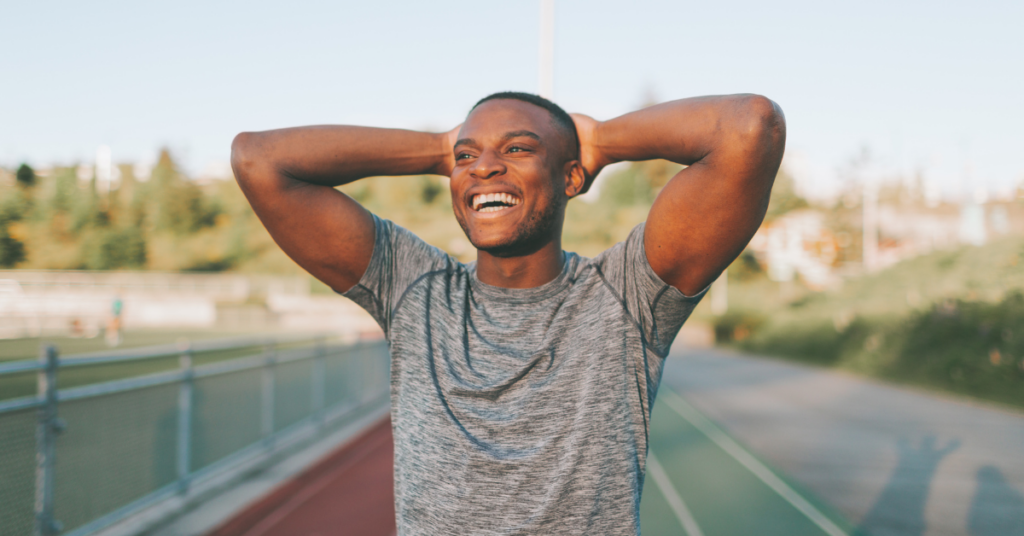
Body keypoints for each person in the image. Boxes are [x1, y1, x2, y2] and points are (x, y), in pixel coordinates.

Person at [231, 92, 786, 535]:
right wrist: (438, 147)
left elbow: (749, 126)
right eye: (468, 158)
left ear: (572, 177)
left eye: (517, 149)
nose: (485, 169)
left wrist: (600, 140)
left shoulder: (624, 296)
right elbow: (260, 159)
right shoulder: (413, 287)